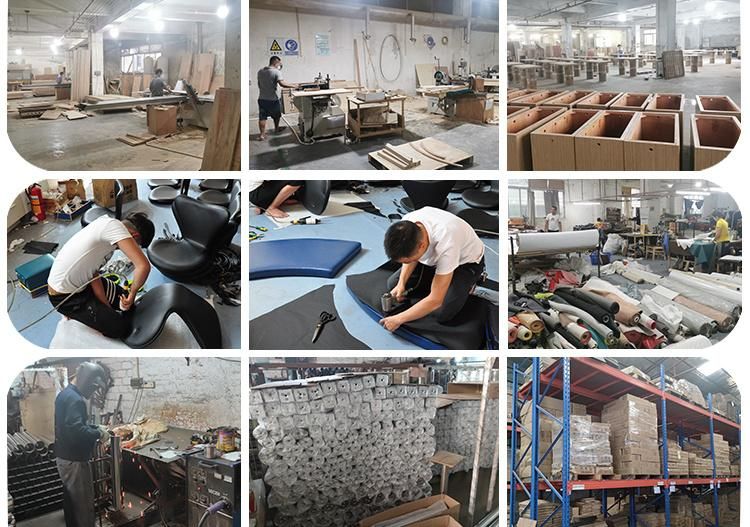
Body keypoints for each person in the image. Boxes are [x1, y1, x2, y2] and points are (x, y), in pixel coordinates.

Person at [47, 212, 155, 339]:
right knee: (120, 329)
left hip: (84, 282)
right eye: (136, 245)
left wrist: (106, 306)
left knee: (125, 302)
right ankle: (74, 313)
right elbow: (143, 266)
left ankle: (97, 312)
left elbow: (94, 274)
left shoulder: (107, 228)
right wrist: (132, 294)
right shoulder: (114, 228)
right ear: (134, 235)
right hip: (65, 296)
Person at [379, 207, 485, 332]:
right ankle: (437, 277)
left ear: (421, 246)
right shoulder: (407, 224)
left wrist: (398, 319)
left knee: (442, 313)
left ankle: (470, 282)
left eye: (407, 261)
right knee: (393, 284)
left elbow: (436, 300)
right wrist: (401, 283)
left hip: (466, 263)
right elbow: (411, 259)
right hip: (435, 258)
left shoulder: (447, 241)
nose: (406, 263)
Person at [55, 362, 109, 527]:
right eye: (93, 388)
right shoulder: (75, 399)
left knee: (72, 503)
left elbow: (72, 425)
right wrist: (98, 433)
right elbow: (77, 432)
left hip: (65, 457)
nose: (92, 392)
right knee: (83, 506)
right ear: (87, 381)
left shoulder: (65, 394)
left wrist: (94, 427)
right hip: (75, 461)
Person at [257, 56, 299, 141]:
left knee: (262, 117)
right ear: (276, 62)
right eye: (279, 63)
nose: (280, 65)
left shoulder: (260, 71)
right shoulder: (276, 72)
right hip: (273, 99)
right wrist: (294, 85)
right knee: (276, 115)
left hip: (262, 98)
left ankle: (262, 135)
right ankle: (276, 129)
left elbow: (259, 84)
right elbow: (282, 84)